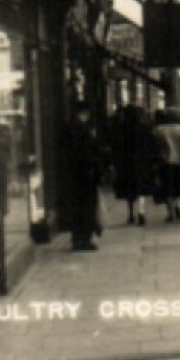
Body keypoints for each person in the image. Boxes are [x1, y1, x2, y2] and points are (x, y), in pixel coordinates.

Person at [64, 102, 105, 252]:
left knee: (77, 208)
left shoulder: (70, 128)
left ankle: (77, 239)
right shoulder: (83, 130)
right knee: (87, 208)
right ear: (84, 113)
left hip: (75, 176)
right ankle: (85, 240)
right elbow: (88, 153)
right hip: (86, 175)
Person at [111, 103, 155, 227]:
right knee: (141, 189)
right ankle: (141, 212)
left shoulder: (121, 129)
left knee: (129, 190)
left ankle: (130, 213)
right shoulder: (144, 129)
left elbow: (116, 148)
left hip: (126, 164)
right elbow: (150, 147)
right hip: (141, 163)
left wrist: (116, 163)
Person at [152, 108, 180, 223]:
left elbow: (156, 148)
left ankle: (170, 212)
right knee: (178, 187)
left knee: (166, 187)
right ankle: (175, 205)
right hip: (179, 162)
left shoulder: (157, 130)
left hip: (164, 162)